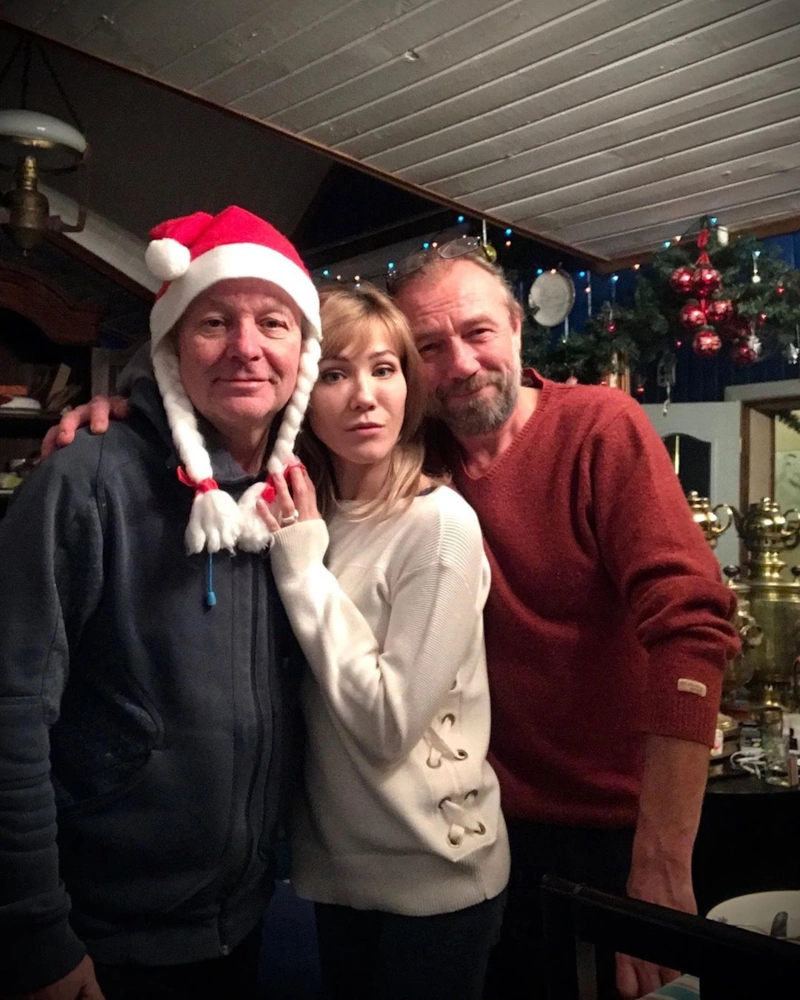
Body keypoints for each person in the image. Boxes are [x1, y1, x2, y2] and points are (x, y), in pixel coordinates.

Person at [43, 240, 741, 1000]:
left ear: (516, 327)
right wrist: (133, 415)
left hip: (605, 827)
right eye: (430, 348)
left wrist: (663, 857)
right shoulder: (389, 454)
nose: (461, 365)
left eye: (478, 332)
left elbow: (691, 624)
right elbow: (252, 394)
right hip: (454, 820)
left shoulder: (593, 431)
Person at [0, 205, 323, 999]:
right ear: (173, 346)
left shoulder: (302, 490)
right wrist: (35, 933)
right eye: (214, 321)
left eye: (273, 323)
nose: (246, 347)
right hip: (100, 935)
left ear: (303, 353)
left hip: (242, 917)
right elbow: (11, 709)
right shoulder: (85, 480)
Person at [256, 282, 508, 1000]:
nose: (364, 396)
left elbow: (387, 723)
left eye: (385, 369)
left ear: (409, 388)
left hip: (437, 879)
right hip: (334, 870)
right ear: (303, 394)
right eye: (335, 373)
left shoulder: (439, 525)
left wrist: (302, 569)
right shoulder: (310, 514)